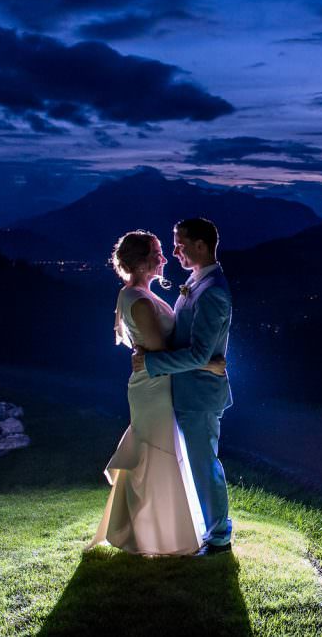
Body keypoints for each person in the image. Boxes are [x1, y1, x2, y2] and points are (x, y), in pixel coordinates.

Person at [89, 230, 224, 555]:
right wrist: (209, 365)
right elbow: (160, 359)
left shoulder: (136, 294)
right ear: (142, 261)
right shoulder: (140, 301)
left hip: (155, 385)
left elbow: (155, 356)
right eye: (157, 253)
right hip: (154, 388)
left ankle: (155, 528)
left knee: (159, 454)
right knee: (156, 455)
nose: (164, 258)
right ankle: (155, 534)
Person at [132, 218, 234, 556]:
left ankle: (219, 536)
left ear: (201, 246)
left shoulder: (214, 292)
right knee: (196, 462)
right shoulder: (198, 282)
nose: (175, 250)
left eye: (180, 243)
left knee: (206, 464)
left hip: (201, 395)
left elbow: (199, 353)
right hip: (188, 391)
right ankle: (206, 527)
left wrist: (152, 363)